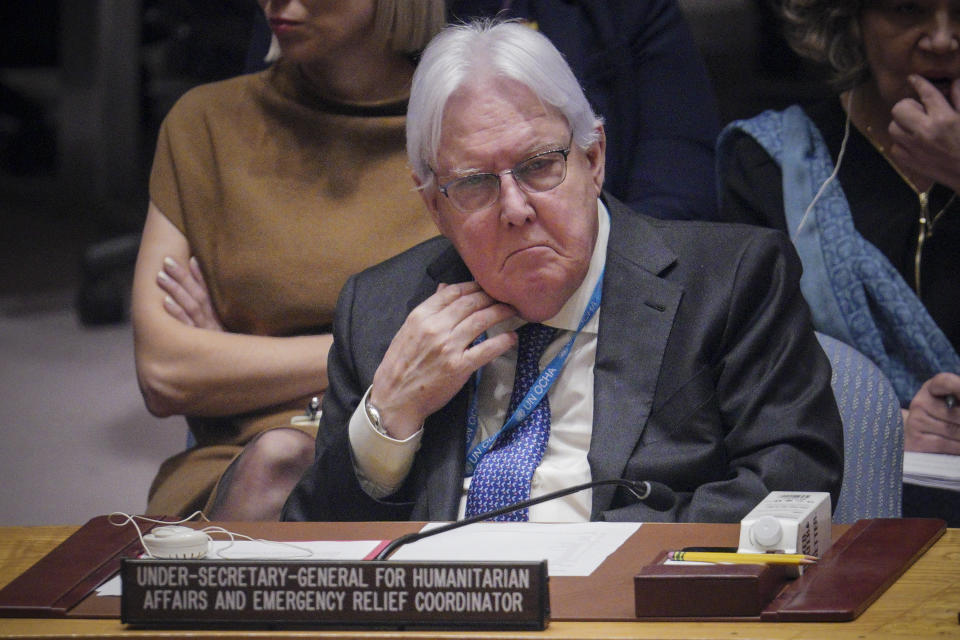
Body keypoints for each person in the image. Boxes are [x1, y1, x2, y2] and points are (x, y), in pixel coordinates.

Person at [282, 19, 843, 524]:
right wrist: (389, 418)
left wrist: (574, 560)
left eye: (540, 166)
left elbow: (791, 489)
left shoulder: (731, 281)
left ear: (594, 159)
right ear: (434, 205)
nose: (516, 208)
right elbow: (322, 550)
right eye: (475, 183)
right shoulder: (381, 310)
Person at [132, 0, 447, 520]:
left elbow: (492, 335)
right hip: (239, 456)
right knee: (277, 463)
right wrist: (384, 351)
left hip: (423, 445)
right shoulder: (206, 123)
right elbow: (166, 372)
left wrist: (235, 357)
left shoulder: (462, 130)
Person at [717, 0, 960, 521]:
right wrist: (887, 423)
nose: (941, 38)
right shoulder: (773, 161)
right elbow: (752, 367)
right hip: (847, 480)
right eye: (906, 10)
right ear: (851, 19)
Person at [446, 0, 722, 222]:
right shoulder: (419, 19)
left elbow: (680, 169)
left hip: (619, 243)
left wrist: (610, 267)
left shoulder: (623, 11)